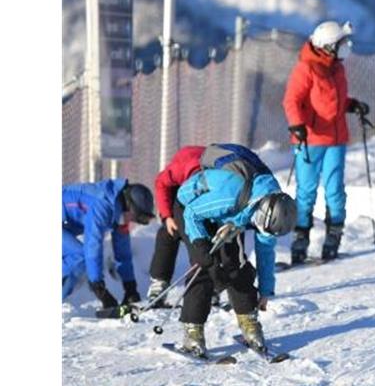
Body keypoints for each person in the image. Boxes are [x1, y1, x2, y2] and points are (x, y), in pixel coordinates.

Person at [176, 160, 297, 356]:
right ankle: (193, 331)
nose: (258, 229)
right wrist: (200, 244)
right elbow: (192, 213)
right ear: (260, 211)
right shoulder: (231, 196)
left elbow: (265, 253)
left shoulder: (272, 204)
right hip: (192, 210)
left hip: (229, 218)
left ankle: (249, 322)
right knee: (204, 265)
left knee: (237, 263)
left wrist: (265, 291)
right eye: (258, 224)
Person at [283, 20, 369, 264]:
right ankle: (300, 241)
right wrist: (297, 124)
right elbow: (292, 100)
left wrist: (351, 105)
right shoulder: (306, 68)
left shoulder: (337, 67)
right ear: (328, 46)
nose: (346, 47)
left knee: (334, 189)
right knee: (307, 191)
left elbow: (334, 100)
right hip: (310, 139)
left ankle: (333, 237)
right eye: (341, 43)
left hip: (336, 138)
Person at [63, 179, 154, 308]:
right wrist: (99, 288)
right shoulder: (102, 205)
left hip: (64, 225)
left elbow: (123, 253)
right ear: (128, 206)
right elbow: (93, 244)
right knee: (79, 257)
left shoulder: (119, 214)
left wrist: (130, 287)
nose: (132, 221)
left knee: (77, 257)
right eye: (133, 217)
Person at [147, 145, 207, 305]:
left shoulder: (219, 172)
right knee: (168, 233)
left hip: (210, 199)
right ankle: (159, 282)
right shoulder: (179, 170)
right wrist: (167, 217)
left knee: (208, 235)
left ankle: (210, 284)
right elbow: (161, 184)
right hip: (178, 194)